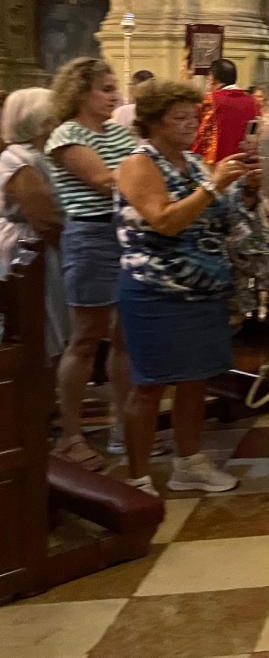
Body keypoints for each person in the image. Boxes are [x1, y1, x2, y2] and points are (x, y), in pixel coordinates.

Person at [115, 79, 258, 497]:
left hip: (202, 289)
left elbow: (219, 217)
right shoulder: (138, 164)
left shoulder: (195, 163)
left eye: (193, 117)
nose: (190, 125)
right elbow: (164, 220)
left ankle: (188, 462)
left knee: (196, 379)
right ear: (155, 122)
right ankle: (138, 477)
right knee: (150, 385)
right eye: (179, 118)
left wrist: (246, 190)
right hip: (156, 289)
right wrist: (214, 185)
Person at [46, 57, 138, 469]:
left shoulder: (118, 132)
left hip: (127, 234)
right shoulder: (66, 134)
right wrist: (153, 181)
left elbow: (143, 165)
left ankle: (124, 426)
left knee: (125, 337)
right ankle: (70, 434)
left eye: (113, 87)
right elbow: (103, 179)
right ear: (80, 92)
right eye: (105, 88)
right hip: (91, 236)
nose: (114, 95)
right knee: (85, 337)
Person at [0, 88, 68, 359]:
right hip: (32, 247)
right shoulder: (18, 158)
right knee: (41, 319)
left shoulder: (46, 155)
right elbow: (43, 219)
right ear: (42, 120)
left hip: (51, 245)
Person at [192, 58, 259, 164]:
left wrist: (192, 157)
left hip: (217, 164)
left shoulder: (211, 100)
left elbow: (202, 135)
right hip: (244, 162)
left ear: (212, 78)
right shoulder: (253, 101)